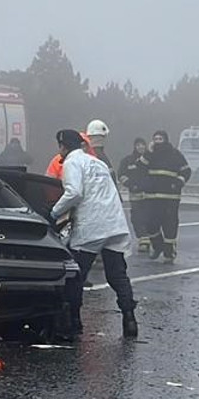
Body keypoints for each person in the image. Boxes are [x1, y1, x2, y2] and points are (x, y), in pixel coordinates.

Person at [49, 129, 138, 339]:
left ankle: (74, 322)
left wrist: (53, 212)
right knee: (117, 275)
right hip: (115, 224)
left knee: (76, 276)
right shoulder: (97, 163)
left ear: (63, 146)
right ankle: (129, 319)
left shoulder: (71, 163)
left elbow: (74, 193)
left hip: (92, 226)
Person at [143, 130, 192, 262]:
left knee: (169, 225)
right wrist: (148, 152)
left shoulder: (175, 154)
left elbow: (186, 171)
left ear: (166, 139)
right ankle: (158, 246)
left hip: (170, 197)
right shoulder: (150, 155)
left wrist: (178, 183)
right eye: (155, 139)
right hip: (152, 197)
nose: (158, 141)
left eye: (160, 139)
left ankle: (169, 253)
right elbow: (140, 167)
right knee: (150, 224)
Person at [118, 137, 155, 256]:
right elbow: (121, 175)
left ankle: (149, 239)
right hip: (135, 195)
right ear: (135, 146)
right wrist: (130, 184)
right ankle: (143, 240)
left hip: (150, 195)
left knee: (149, 218)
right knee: (136, 219)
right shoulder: (128, 161)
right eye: (138, 145)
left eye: (142, 145)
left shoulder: (151, 160)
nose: (140, 147)